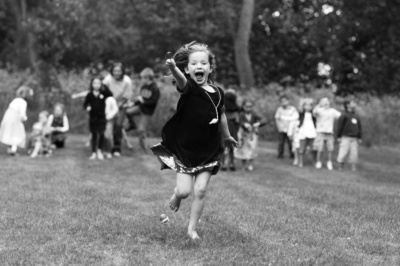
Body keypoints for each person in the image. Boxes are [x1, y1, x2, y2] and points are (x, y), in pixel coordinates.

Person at [150, 42, 238, 240]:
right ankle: (177, 195)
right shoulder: (188, 87)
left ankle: (192, 229)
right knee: (184, 191)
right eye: (194, 64)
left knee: (200, 190)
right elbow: (180, 80)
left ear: (210, 68)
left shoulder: (219, 92)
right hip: (185, 149)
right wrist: (173, 69)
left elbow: (221, 114)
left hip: (209, 148)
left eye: (203, 63)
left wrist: (227, 136)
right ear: (188, 69)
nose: (199, 66)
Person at [125, 67, 160, 152]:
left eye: (142, 78)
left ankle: (144, 147)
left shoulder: (155, 89)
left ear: (147, 78)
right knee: (128, 112)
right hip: (140, 108)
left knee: (141, 129)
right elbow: (140, 99)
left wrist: (143, 101)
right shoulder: (143, 87)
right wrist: (133, 104)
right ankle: (132, 125)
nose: (141, 80)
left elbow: (153, 102)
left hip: (147, 112)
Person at [102, 62, 133, 157]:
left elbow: (126, 97)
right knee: (105, 124)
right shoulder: (108, 79)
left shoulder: (127, 81)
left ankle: (116, 148)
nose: (116, 73)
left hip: (122, 105)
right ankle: (104, 147)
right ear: (112, 71)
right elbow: (102, 89)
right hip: (110, 103)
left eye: (119, 71)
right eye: (115, 71)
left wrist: (116, 107)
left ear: (122, 71)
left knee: (118, 125)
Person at [0, 86, 33, 155]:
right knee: (19, 134)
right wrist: (25, 118)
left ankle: (10, 150)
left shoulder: (16, 100)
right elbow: (22, 114)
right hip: (14, 120)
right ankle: (13, 150)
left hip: (8, 119)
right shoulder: (23, 102)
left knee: (10, 134)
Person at [84, 77, 111, 160]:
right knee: (94, 135)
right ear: (92, 84)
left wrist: (104, 85)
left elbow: (110, 94)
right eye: (94, 83)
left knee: (101, 133)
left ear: (101, 84)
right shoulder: (89, 95)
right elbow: (85, 104)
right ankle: (93, 152)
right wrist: (87, 107)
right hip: (93, 118)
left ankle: (99, 150)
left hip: (102, 118)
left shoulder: (103, 93)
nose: (96, 85)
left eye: (98, 83)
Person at [234, 99, 263, 171]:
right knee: (243, 149)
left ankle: (250, 164)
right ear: (243, 107)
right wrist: (244, 124)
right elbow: (239, 122)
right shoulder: (241, 114)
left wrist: (258, 123)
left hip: (252, 135)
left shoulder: (254, 114)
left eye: (250, 106)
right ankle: (243, 165)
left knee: (252, 149)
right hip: (243, 135)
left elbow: (264, 119)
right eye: (247, 106)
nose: (249, 108)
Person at [313, 97, 341, 170]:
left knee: (330, 149)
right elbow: (314, 112)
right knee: (320, 148)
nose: (326, 103)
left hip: (329, 133)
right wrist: (319, 105)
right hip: (320, 132)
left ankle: (329, 162)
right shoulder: (319, 110)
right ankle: (318, 162)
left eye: (327, 101)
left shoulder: (332, 111)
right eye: (324, 101)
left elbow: (340, 117)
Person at [336, 100, 362, 171]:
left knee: (354, 153)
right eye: (352, 103)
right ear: (348, 105)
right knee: (343, 151)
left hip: (355, 138)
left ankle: (353, 166)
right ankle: (340, 165)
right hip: (345, 137)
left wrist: (359, 137)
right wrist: (338, 136)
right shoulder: (344, 115)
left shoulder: (356, 115)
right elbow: (340, 126)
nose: (354, 104)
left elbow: (359, 127)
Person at [221, 88, 240, 171]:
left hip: (223, 129)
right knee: (231, 147)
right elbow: (238, 121)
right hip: (232, 130)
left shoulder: (222, 108)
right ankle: (232, 163)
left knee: (222, 147)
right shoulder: (237, 108)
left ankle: (223, 164)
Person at [297, 99, 317, 167]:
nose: (308, 107)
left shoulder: (313, 114)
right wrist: (304, 101)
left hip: (312, 132)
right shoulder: (302, 113)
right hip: (303, 132)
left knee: (313, 148)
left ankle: (314, 162)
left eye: (310, 105)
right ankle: (300, 162)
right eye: (306, 105)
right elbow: (300, 108)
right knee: (302, 148)